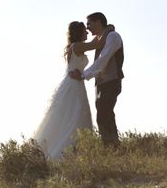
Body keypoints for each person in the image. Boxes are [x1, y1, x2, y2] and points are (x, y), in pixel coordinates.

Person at [33, 21, 103, 159]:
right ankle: (64, 156)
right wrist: (106, 30)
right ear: (78, 32)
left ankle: (79, 155)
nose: (87, 32)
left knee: (76, 117)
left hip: (77, 83)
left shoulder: (76, 46)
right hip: (73, 85)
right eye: (85, 30)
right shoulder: (77, 46)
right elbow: (96, 44)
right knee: (73, 117)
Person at [70, 12, 123, 147]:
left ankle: (112, 147)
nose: (87, 28)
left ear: (98, 22)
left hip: (111, 81)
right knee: (103, 114)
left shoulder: (113, 36)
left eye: (89, 24)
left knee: (104, 114)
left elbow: (103, 59)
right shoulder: (103, 38)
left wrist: (83, 75)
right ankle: (110, 147)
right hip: (100, 83)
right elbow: (96, 46)